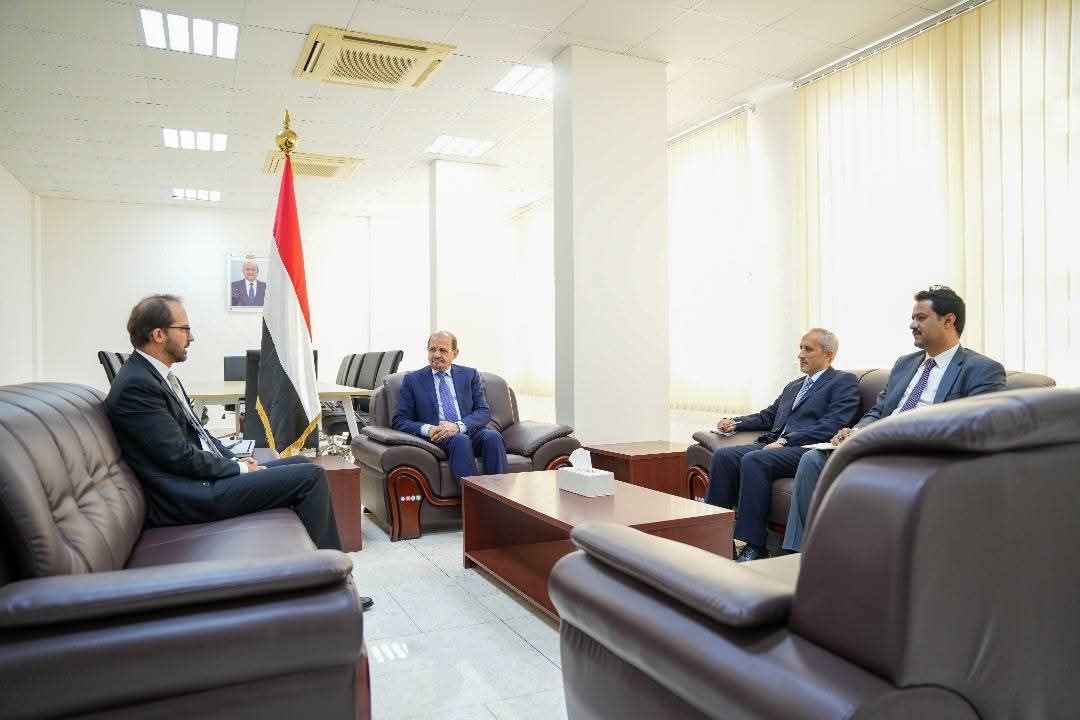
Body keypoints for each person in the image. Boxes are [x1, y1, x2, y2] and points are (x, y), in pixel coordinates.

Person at [105, 294, 373, 609]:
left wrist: (233, 458)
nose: (192, 337)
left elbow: (199, 434)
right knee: (311, 476)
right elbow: (178, 457)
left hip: (199, 481)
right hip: (190, 496)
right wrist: (239, 469)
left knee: (300, 462)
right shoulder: (138, 385)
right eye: (185, 329)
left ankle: (308, 574)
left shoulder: (153, 376)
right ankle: (334, 588)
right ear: (158, 335)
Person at [781, 285, 1006, 553]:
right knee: (813, 460)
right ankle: (802, 556)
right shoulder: (904, 364)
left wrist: (902, 435)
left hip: (921, 453)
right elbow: (879, 411)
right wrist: (856, 431)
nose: (912, 325)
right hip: (878, 444)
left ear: (949, 320)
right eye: (912, 318)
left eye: (921, 318)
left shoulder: (981, 369)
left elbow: (977, 427)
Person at [705, 329, 861, 562]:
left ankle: (755, 546)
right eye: (800, 348)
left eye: (808, 349)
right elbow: (768, 416)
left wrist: (787, 440)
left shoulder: (843, 382)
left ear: (828, 354)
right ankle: (715, 539)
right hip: (776, 445)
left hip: (808, 448)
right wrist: (736, 423)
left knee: (755, 460)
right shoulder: (794, 385)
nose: (800, 354)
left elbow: (833, 425)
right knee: (723, 457)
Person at [393, 331, 508, 485]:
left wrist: (458, 427)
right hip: (438, 437)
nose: (436, 355)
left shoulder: (469, 375)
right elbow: (399, 420)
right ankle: (472, 498)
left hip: (467, 430)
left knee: (492, 437)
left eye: (443, 350)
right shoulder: (413, 380)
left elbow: (483, 411)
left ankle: (500, 493)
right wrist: (429, 429)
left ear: (455, 353)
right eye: (432, 349)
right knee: (460, 440)